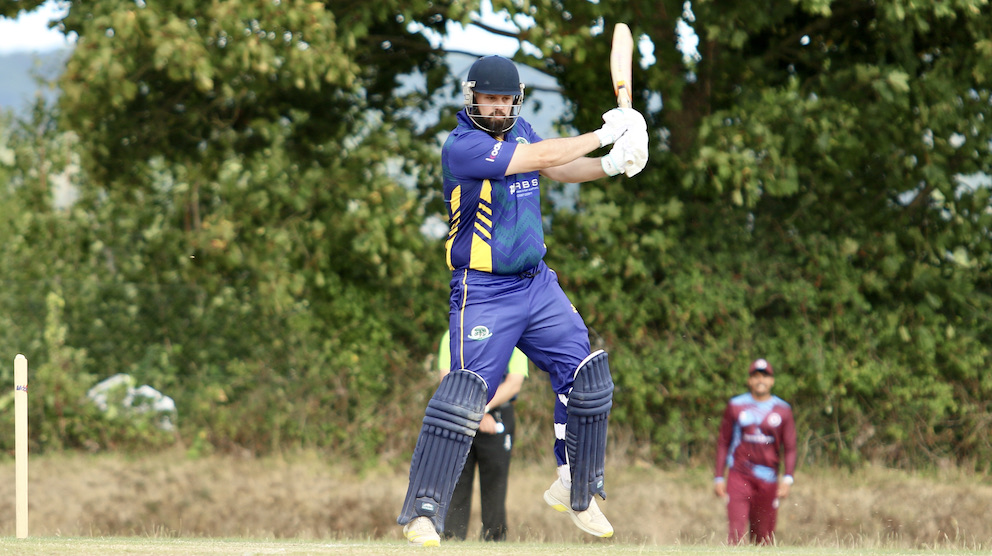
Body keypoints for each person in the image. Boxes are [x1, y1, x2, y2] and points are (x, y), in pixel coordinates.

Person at [397, 54, 649, 547]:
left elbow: (558, 168)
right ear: (472, 99)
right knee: (465, 393)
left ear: (516, 100)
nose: (496, 107)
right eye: (488, 99)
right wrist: (604, 133)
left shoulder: (522, 129)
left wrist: (611, 164)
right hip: (484, 289)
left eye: (504, 99)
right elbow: (539, 159)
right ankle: (423, 511)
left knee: (588, 375)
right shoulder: (463, 146)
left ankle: (575, 483)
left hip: (536, 284)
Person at [438, 329, 528, 542]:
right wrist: (474, 413)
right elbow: (446, 379)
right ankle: (452, 541)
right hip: (459, 413)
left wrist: (482, 409)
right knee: (456, 482)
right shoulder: (452, 334)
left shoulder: (513, 337)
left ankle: (494, 541)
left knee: (495, 484)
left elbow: (514, 383)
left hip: (497, 414)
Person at [713, 358, 797, 546]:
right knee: (736, 532)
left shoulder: (783, 410)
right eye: (756, 376)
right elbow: (723, 442)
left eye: (765, 376)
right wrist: (718, 477)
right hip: (739, 475)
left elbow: (790, 447)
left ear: (772, 381)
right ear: (749, 380)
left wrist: (788, 478)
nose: (761, 380)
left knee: (763, 538)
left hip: (768, 478)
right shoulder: (736, 405)